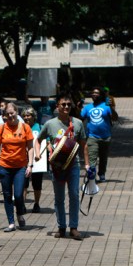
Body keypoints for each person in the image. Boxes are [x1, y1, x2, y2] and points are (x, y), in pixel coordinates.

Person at [38, 96, 91, 240]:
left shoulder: (78, 123)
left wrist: (87, 164)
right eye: (63, 105)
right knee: (59, 198)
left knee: (74, 195)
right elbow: (38, 140)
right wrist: (38, 155)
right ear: (57, 106)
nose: (66, 107)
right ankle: (61, 227)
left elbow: (84, 144)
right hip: (57, 167)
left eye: (68, 104)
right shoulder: (50, 124)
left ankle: (73, 227)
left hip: (73, 165)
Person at [0, 102, 34, 232]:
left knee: (19, 195)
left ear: (17, 113)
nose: (10, 116)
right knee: (7, 195)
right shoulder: (2, 129)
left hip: (20, 166)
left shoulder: (25, 128)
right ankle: (11, 222)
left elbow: (30, 148)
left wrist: (30, 165)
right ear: (4, 116)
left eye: (12, 113)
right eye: (7, 114)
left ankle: (20, 214)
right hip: (4, 166)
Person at [81, 87, 117, 182]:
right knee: (92, 157)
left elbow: (115, 118)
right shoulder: (87, 107)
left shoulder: (106, 106)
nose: (94, 94)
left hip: (106, 137)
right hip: (92, 136)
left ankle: (102, 174)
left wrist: (111, 108)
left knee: (103, 158)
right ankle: (91, 175)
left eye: (97, 93)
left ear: (101, 95)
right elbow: (80, 119)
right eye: (93, 93)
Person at [22, 107, 46, 213]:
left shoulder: (40, 127)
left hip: (37, 160)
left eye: (29, 115)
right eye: (25, 116)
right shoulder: (20, 127)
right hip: (23, 159)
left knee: (37, 183)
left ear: (34, 117)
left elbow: (47, 140)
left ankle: (36, 203)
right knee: (23, 182)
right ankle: (22, 204)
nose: (26, 117)